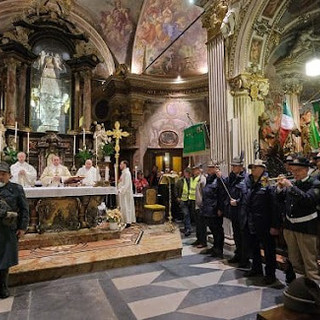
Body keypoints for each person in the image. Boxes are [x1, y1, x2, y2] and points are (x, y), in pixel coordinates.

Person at [277, 157, 320, 281]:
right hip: (290, 227)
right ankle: (302, 289)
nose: (295, 173)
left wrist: (290, 187)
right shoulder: (294, 183)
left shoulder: (314, 183)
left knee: (310, 263)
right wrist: (280, 189)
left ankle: (315, 294)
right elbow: (281, 201)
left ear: (306, 170)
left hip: (306, 228)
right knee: (295, 261)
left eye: (298, 170)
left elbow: (308, 200)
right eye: (293, 170)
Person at [242, 159, 280, 285]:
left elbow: (274, 206)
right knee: (254, 247)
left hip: (265, 222)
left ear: (263, 168)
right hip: (253, 221)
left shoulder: (268, 184)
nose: (252, 170)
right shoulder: (251, 183)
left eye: (255, 167)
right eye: (252, 168)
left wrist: (275, 225)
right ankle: (256, 268)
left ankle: (270, 275)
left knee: (269, 250)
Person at [0, 162, 29, 299]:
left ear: (9, 175)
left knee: (5, 260)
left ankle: (3, 286)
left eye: (3, 174)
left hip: (8, 230)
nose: (0, 177)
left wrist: (22, 227)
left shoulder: (16, 189)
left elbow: (24, 209)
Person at [223, 155, 250, 268]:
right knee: (237, 236)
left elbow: (247, 195)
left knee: (244, 237)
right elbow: (226, 185)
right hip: (233, 212)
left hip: (242, 212)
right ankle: (238, 255)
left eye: (235, 166)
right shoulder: (233, 177)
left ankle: (245, 259)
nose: (233, 168)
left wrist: (237, 202)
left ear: (240, 167)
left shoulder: (246, 178)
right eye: (232, 166)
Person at [200, 162, 225, 258]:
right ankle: (215, 247)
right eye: (208, 167)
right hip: (208, 208)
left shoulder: (219, 180)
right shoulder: (209, 179)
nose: (208, 169)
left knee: (218, 230)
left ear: (215, 169)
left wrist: (220, 208)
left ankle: (219, 249)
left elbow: (221, 195)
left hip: (215, 209)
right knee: (212, 229)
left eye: (210, 168)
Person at [175, 167, 198, 237]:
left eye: (188, 173)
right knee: (186, 214)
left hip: (191, 200)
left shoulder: (192, 180)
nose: (187, 175)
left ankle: (187, 227)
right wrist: (177, 197)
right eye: (186, 173)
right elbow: (176, 189)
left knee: (191, 214)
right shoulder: (180, 181)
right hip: (183, 200)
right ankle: (188, 228)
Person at [191, 164, 207, 248]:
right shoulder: (195, 179)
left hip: (201, 205)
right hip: (196, 203)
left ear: (200, 170)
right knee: (197, 224)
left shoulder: (202, 179)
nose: (193, 171)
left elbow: (203, 193)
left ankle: (203, 241)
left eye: (195, 170)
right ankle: (199, 239)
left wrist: (202, 204)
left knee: (202, 224)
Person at [118, 160, 136, 228]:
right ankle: (124, 220)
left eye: (121, 164)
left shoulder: (127, 173)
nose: (120, 165)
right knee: (123, 207)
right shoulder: (124, 172)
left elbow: (127, 184)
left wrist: (121, 190)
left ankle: (128, 221)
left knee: (126, 207)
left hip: (126, 194)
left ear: (124, 165)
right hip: (123, 193)